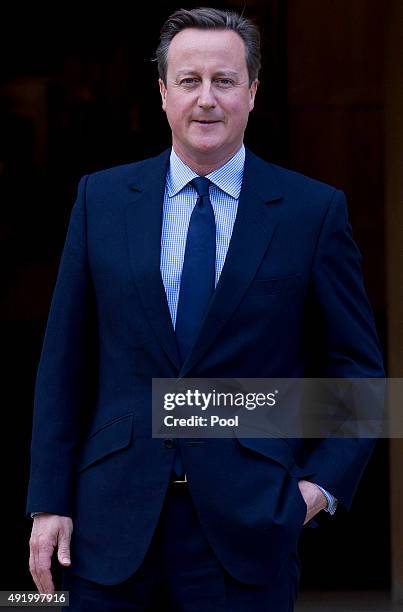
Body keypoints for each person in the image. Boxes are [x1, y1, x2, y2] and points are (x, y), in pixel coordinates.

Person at [27, 7, 384, 611]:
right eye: (190, 81)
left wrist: (315, 490)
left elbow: (359, 375)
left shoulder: (310, 212)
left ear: (252, 93)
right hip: (109, 527)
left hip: (250, 528)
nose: (207, 99)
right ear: (163, 94)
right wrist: (48, 501)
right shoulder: (101, 200)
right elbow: (64, 363)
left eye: (224, 80)